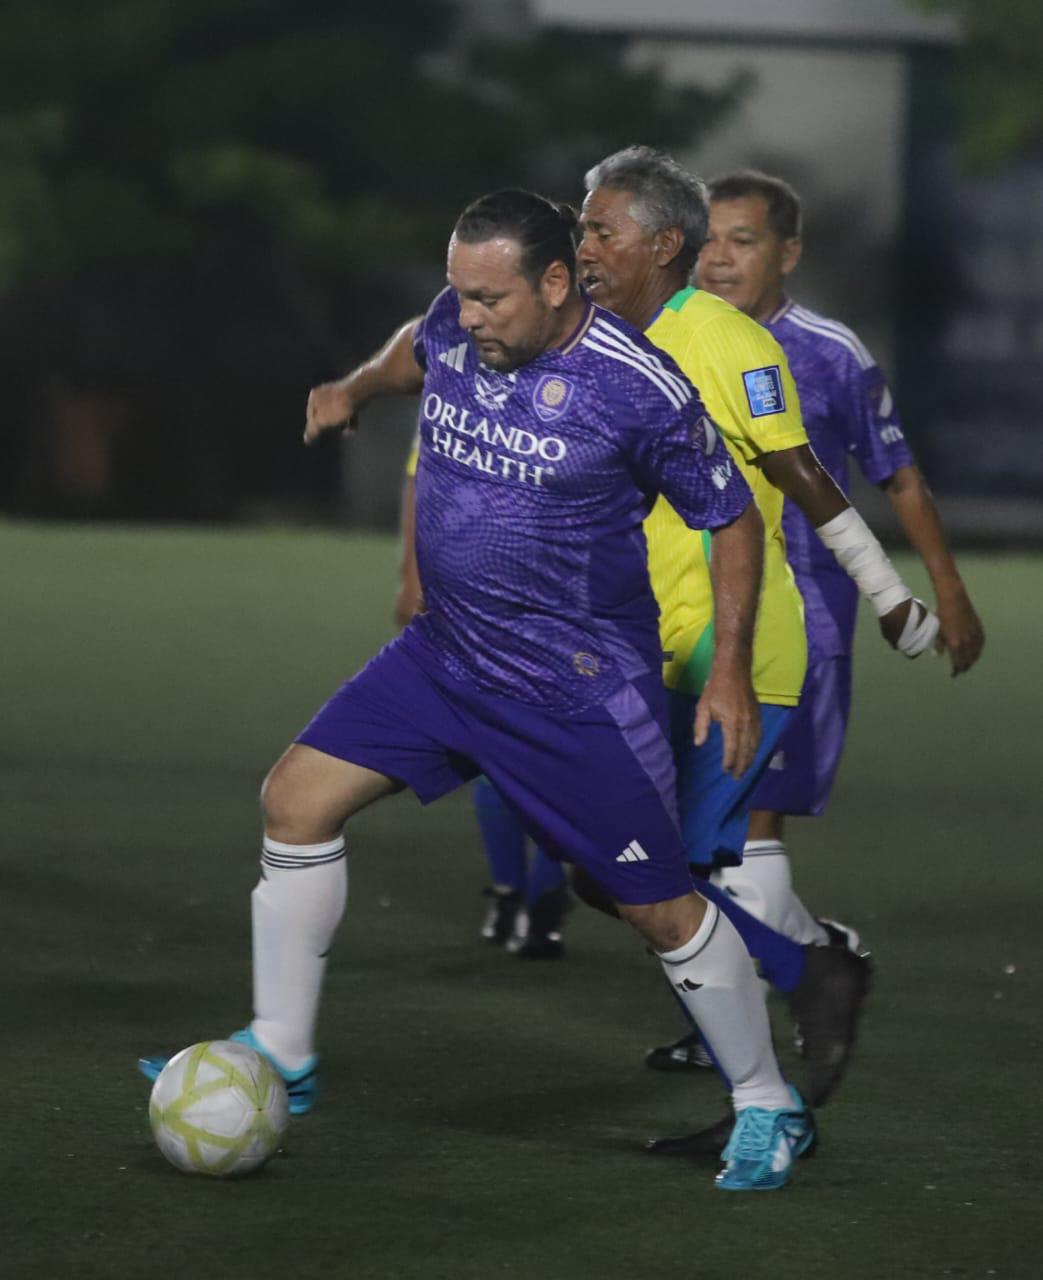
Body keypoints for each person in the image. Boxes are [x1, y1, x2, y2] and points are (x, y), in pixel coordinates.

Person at [140, 188, 817, 1192]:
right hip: (447, 655)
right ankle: (284, 1048)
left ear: (555, 283)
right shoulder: (459, 324)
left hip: (573, 689)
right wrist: (355, 389)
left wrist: (724, 672)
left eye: (489, 298)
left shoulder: (637, 388)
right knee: (294, 800)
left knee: (660, 910)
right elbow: (415, 343)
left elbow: (730, 516)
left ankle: (767, 1101)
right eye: (459, 293)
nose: (469, 316)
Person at [573, 146, 939, 1152]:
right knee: (606, 867)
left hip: (740, 653)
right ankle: (799, 983)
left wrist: (889, 593)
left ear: (662, 244)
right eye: (581, 228)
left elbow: (806, 475)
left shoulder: (732, 344)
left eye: (600, 230)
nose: (585, 247)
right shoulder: (593, 338)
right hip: (635, 648)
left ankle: (773, 1067)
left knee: (644, 876)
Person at [693, 170, 985, 948]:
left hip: (803, 621)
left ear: (786, 254)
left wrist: (943, 592)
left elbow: (897, 474)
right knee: (679, 840)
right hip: (681, 612)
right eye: (707, 238)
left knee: (747, 829)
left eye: (741, 240)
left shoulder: (825, 353)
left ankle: (741, 1016)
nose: (718, 258)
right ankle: (817, 954)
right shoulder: (663, 340)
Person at [396, 439, 571, 958]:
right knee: (541, 750)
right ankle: (536, 893)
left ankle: (520, 893)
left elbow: (419, 476)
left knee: (510, 749)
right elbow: (423, 472)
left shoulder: (472, 372)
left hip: (513, 588)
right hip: (520, 591)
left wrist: (411, 576)